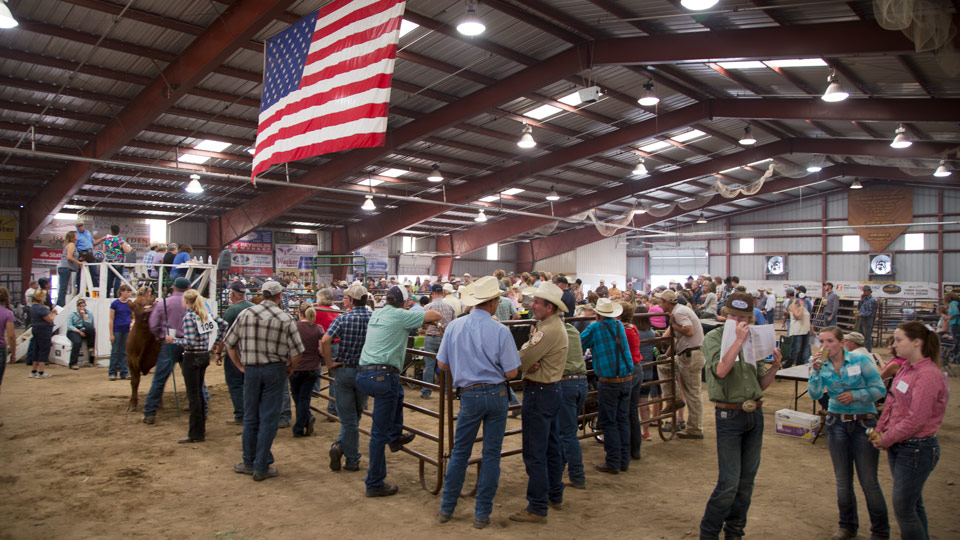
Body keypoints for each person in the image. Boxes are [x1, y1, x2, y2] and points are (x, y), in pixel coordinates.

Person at [436, 276, 520, 529]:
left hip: (469, 395)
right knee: (491, 454)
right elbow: (512, 373)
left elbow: (442, 364)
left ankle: (447, 508)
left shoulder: (454, 327)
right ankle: (482, 514)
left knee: (460, 452)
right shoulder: (501, 331)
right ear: (493, 302)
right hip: (496, 394)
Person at [699, 291, 782, 540]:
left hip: (753, 413)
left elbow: (759, 384)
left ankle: (735, 530)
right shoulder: (714, 338)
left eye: (744, 316)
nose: (738, 320)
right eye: (733, 315)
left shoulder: (752, 340)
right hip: (729, 415)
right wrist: (737, 342)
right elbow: (721, 370)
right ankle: (709, 532)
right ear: (724, 316)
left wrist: (775, 367)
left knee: (746, 481)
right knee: (729, 482)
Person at [355, 285, 441, 497]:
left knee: (398, 393)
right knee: (377, 434)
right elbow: (436, 314)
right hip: (383, 376)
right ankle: (374, 482)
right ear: (404, 303)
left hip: (364, 374)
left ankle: (395, 436)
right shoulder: (402, 316)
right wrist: (420, 314)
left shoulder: (377, 312)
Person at [809, 326, 888, 540]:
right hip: (836, 423)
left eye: (830, 341)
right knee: (843, 479)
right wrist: (815, 371)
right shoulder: (820, 364)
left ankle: (880, 531)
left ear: (841, 343)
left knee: (869, 481)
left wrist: (857, 395)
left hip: (864, 422)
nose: (825, 346)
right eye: (822, 341)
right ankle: (847, 526)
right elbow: (815, 394)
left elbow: (880, 389)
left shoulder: (860, 361)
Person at [870, 322, 948, 539]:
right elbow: (891, 403)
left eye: (898, 340)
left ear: (916, 342)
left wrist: (887, 438)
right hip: (902, 446)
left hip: (917, 448)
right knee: (913, 505)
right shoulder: (905, 368)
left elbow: (917, 419)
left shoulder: (928, 375)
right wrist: (880, 431)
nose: (894, 345)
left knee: (904, 508)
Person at [224, 280, 304, 482]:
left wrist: (240, 365)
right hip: (275, 370)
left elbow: (229, 343)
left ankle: (249, 461)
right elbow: (297, 352)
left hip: (251, 369)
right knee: (269, 418)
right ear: (279, 296)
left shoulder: (245, 314)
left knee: (251, 417)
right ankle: (261, 465)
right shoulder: (285, 318)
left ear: (262, 294)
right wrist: (290, 368)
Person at [509, 281, 568, 524]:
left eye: (536, 302)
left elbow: (524, 356)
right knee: (552, 446)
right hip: (551, 390)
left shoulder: (546, 330)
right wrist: (527, 358)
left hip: (539, 392)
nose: (531, 305)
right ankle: (554, 494)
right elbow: (527, 354)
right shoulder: (552, 326)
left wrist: (524, 361)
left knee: (535, 451)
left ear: (550, 307)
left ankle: (537, 505)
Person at [167, 289, 227, 444]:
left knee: (193, 394)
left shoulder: (189, 317)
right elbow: (224, 324)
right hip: (204, 356)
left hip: (192, 357)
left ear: (186, 301)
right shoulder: (205, 315)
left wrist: (172, 340)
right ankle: (200, 429)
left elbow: (189, 341)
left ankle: (196, 433)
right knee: (198, 393)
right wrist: (215, 343)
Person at [323, 284, 372, 472]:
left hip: (344, 369)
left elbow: (325, 340)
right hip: (365, 370)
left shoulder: (343, 318)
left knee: (348, 418)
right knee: (356, 415)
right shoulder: (373, 318)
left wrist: (329, 363)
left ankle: (344, 450)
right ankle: (347, 454)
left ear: (351, 300)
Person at [581, 298, 633, 473]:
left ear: (597, 313)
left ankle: (613, 461)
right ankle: (624, 460)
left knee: (609, 422)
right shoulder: (619, 325)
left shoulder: (595, 327)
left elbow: (580, 342)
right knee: (622, 419)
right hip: (626, 377)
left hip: (609, 380)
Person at [656, 289, 706, 439]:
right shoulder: (679, 311)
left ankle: (695, 429)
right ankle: (675, 398)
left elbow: (688, 331)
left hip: (690, 355)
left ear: (666, 302)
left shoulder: (678, 313)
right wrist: (667, 354)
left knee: (693, 393)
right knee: (664, 365)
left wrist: (673, 325)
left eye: (660, 302)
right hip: (687, 354)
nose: (659, 304)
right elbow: (678, 338)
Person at [143, 277, 191, 424]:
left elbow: (153, 324)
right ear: (188, 289)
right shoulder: (193, 303)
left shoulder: (164, 303)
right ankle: (203, 406)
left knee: (159, 378)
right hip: (188, 342)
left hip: (169, 343)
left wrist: (160, 336)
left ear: (173, 288)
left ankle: (149, 412)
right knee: (193, 376)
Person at [557, 319, 588, 489]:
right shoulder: (573, 330)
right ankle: (559, 469)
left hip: (565, 382)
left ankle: (577, 475)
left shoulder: (551, 331)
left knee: (567, 433)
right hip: (580, 381)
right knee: (567, 430)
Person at [221, 282, 254, 425]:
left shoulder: (231, 310)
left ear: (233, 294)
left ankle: (241, 415)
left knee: (235, 382)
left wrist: (217, 352)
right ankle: (252, 412)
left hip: (235, 349)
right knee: (249, 383)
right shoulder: (253, 308)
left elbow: (225, 335)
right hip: (252, 350)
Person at [290, 302, 323, 438]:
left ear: (299, 313)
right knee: (304, 396)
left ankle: (300, 426)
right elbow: (321, 350)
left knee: (297, 395)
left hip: (296, 366)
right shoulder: (318, 328)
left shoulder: (293, 327)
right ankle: (305, 418)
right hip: (312, 367)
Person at [620, 301, 646, 460]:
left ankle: (626, 448)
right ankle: (635, 449)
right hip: (637, 368)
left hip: (629, 370)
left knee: (624, 411)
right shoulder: (633, 328)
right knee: (632, 411)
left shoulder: (623, 330)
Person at [421, 284, 455, 399]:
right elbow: (453, 324)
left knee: (429, 365)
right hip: (445, 338)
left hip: (431, 337)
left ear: (432, 294)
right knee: (446, 364)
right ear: (443, 293)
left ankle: (426, 391)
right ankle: (447, 390)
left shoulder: (427, 307)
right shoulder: (449, 307)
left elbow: (423, 325)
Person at [313, 288, 340, 417]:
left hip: (316, 344)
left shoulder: (315, 311)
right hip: (334, 344)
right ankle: (333, 408)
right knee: (334, 377)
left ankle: (314, 390)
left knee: (313, 368)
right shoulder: (336, 312)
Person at [634, 306, 659, 440]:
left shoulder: (634, 332)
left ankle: (634, 432)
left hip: (635, 371)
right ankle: (646, 431)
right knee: (644, 402)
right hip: (648, 372)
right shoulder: (652, 333)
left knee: (632, 404)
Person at [109, 284, 134, 381]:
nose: (129, 294)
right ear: (122, 292)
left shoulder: (130, 303)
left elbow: (132, 316)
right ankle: (112, 372)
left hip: (126, 330)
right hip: (117, 330)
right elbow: (111, 319)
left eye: (129, 292)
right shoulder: (115, 304)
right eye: (127, 292)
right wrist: (111, 334)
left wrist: (132, 323)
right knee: (115, 351)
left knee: (125, 352)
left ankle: (125, 372)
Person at [29, 289, 55, 379]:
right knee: (44, 349)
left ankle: (33, 370)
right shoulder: (41, 308)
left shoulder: (33, 307)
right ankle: (41, 372)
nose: (45, 298)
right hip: (44, 330)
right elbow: (49, 319)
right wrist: (54, 313)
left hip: (36, 329)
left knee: (36, 348)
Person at [102, 225, 132, 298]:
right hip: (118, 261)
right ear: (118, 231)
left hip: (109, 261)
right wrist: (130, 248)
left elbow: (104, 250)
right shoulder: (120, 240)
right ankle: (116, 295)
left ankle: (107, 294)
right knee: (118, 278)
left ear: (111, 231)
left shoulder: (107, 240)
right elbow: (126, 250)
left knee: (109, 278)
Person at [783, 292, 812, 368]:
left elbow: (807, 319)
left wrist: (811, 329)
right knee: (796, 350)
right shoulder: (793, 306)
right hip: (797, 331)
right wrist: (802, 306)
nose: (802, 300)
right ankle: (786, 366)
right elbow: (798, 316)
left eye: (803, 299)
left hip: (805, 330)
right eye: (800, 299)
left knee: (803, 350)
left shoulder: (804, 307)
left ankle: (799, 366)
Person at [67, 298, 96, 370]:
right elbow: (70, 325)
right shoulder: (72, 314)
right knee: (77, 342)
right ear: (77, 306)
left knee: (91, 329)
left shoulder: (88, 313)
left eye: (83, 306)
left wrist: (83, 316)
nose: (82, 308)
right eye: (80, 306)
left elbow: (88, 323)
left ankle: (90, 348)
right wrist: (79, 332)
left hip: (84, 328)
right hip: (74, 330)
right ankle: (73, 363)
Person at [57, 231, 83, 307]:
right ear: (73, 236)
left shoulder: (71, 245)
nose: (77, 236)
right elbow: (69, 257)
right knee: (63, 287)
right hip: (65, 267)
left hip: (65, 267)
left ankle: (60, 304)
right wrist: (78, 262)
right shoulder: (71, 245)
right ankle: (60, 305)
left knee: (64, 287)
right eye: (76, 235)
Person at [857, 286, 878, 352]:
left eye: (865, 291)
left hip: (867, 319)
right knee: (860, 334)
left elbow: (870, 312)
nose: (864, 292)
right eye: (864, 291)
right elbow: (860, 308)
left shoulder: (872, 300)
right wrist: (861, 300)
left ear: (869, 291)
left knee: (867, 335)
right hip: (862, 318)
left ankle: (868, 350)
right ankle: (861, 348)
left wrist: (861, 314)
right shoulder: (864, 299)